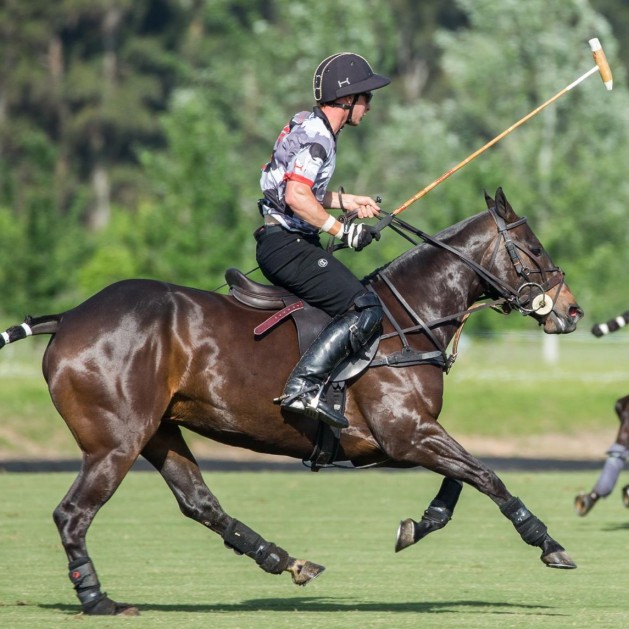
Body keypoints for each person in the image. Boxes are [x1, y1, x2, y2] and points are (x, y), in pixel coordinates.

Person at [255, 52, 391, 429]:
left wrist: (348, 201)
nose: (370, 105)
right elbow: (298, 197)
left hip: (279, 239)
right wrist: (341, 229)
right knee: (366, 308)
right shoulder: (320, 139)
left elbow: (299, 188)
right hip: (286, 245)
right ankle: (303, 387)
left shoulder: (306, 122)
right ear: (347, 101)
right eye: (366, 97)